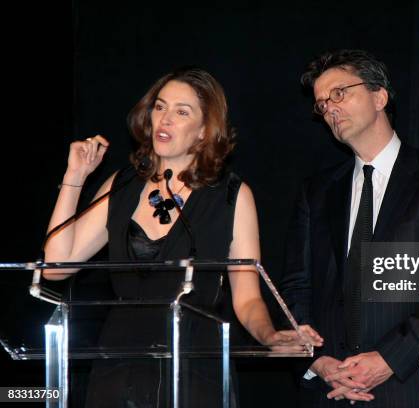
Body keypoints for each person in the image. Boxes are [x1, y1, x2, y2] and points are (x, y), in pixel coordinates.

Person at [43, 66, 322, 407]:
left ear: (204, 131)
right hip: (119, 364)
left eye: (181, 111)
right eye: (160, 107)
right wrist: (75, 177)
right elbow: (55, 268)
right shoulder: (122, 186)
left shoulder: (231, 196)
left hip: (194, 364)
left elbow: (247, 299)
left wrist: (270, 337)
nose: (165, 119)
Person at [281, 49, 419, 407]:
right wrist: (316, 360)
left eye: (339, 93)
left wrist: (391, 358)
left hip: (408, 385)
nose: (329, 108)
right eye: (321, 104)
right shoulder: (316, 191)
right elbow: (295, 287)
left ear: (379, 96)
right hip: (331, 389)